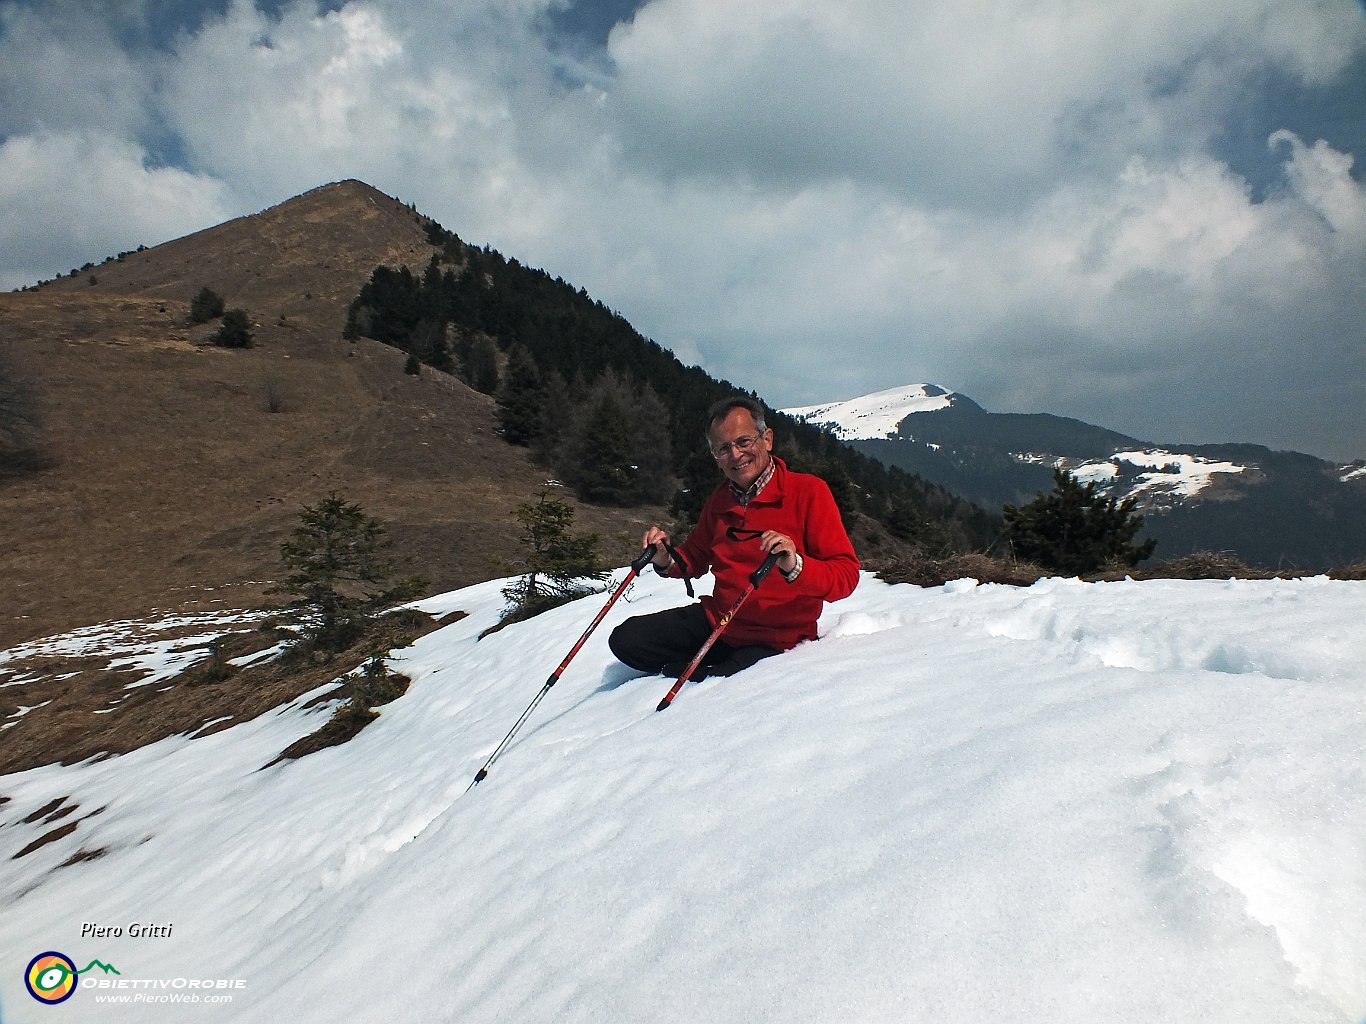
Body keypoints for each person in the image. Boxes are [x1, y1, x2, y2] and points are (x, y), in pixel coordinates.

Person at [608, 396, 860, 680]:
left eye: (744, 442)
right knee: (626, 639)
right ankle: (705, 666)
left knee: (723, 684)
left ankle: (707, 671)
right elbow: (693, 559)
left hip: (779, 638)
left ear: (767, 438)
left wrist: (795, 565)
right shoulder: (719, 502)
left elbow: (845, 576)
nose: (736, 455)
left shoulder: (809, 492)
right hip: (721, 622)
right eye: (723, 449)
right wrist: (665, 558)